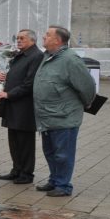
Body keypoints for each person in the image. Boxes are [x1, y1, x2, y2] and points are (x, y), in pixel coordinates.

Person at [33, 26, 96, 197]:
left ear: (58, 40)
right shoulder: (48, 56)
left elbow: (88, 87)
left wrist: (86, 103)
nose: (44, 37)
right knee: (51, 152)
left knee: (63, 154)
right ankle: (54, 180)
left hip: (64, 116)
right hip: (46, 116)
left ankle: (63, 186)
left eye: (47, 35)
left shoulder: (70, 60)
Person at [0, 29, 44, 184]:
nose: (19, 41)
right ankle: (16, 170)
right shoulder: (18, 55)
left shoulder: (36, 56)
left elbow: (29, 84)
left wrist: (9, 94)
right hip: (12, 105)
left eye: (22, 38)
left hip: (24, 106)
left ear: (32, 40)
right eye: (18, 38)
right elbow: (11, 76)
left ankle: (27, 174)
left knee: (25, 142)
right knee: (14, 140)